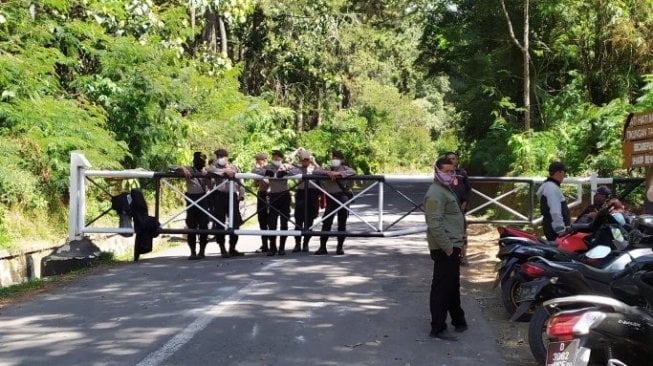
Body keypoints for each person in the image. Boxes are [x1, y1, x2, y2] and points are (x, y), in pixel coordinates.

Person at [424, 156, 467, 341]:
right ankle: (438, 327)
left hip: (453, 244)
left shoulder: (445, 189)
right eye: (446, 171)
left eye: (452, 171)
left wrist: (461, 242)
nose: (450, 174)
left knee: (451, 285)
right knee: (442, 287)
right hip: (444, 246)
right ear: (437, 171)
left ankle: (458, 320)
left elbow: (454, 219)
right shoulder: (435, 193)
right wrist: (449, 248)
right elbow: (434, 224)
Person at [313, 150, 355, 255]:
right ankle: (322, 247)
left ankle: (339, 247)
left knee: (342, 222)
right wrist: (328, 172)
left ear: (342, 160)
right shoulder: (328, 168)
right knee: (326, 221)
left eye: (337, 158)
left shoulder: (345, 168)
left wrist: (339, 174)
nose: (334, 160)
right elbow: (316, 171)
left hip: (342, 197)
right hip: (331, 198)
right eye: (333, 158)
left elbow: (353, 172)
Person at [207, 148, 246, 258]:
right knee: (219, 222)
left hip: (232, 196)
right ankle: (222, 249)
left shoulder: (233, 167)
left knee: (235, 222)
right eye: (218, 156)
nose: (220, 159)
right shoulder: (214, 167)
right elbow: (209, 170)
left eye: (221, 156)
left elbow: (241, 181)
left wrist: (241, 195)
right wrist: (224, 171)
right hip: (220, 196)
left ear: (226, 157)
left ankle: (232, 248)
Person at [254, 150, 293, 256]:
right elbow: (255, 171)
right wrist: (267, 173)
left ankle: (282, 247)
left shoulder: (285, 166)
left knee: (284, 222)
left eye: (278, 157)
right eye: (274, 157)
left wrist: (286, 172)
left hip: (284, 195)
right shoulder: (269, 167)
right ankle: (272, 247)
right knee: (272, 222)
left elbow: (297, 171)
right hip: (273, 196)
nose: (276, 159)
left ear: (281, 158)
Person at [172, 152, 210, 260]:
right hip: (191, 199)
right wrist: (183, 168)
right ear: (194, 161)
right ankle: (193, 252)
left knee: (203, 227)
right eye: (199, 160)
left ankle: (202, 251)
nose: (200, 163)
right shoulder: (189, 169)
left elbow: (212, 184)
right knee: (191, 227)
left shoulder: (206, 171)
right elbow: (171, 167)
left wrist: (208, 176)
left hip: (203, 199)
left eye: (202, 161)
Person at [291, 149, 321, 253]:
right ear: (300, 160)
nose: (305, 161)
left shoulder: (314, 169)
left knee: (309, 222)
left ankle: (306, 244)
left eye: (307, 159)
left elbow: (321, 171)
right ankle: (297, 244)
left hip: (312, 195)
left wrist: (314, 162)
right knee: (298, 221)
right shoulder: (296, 169)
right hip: (301, 194)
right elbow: (288, 168)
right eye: (303, 160)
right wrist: (295, 156)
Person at [444, 151, 472, 265]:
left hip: (460, 209)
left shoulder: (462, 173)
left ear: (457, 160)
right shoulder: (442, 174)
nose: (451, 160)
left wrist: (465, 202)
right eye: (449, 158)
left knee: (462, 233)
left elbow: (468, 189)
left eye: (454, 158)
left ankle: (463, 257)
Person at [537, 161, 570, 241]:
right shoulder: (552, 188)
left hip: (550, 227)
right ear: (559, 172)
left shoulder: (547, 186)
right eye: (564, 172)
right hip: (555, 231)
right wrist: (561, 231)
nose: (564, 175)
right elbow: (555, 212)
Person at [252, 152, 271, 253]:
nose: (256, 162)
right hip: (261, 194)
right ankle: (264, 244)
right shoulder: (258, 170)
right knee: (262, 220)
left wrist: (262, 174)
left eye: (258, 160)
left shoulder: (270, 168)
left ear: (263, 160)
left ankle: (272, 244)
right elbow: (255, 184)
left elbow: (269, 182)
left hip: (269, 195)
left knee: (270, 220)